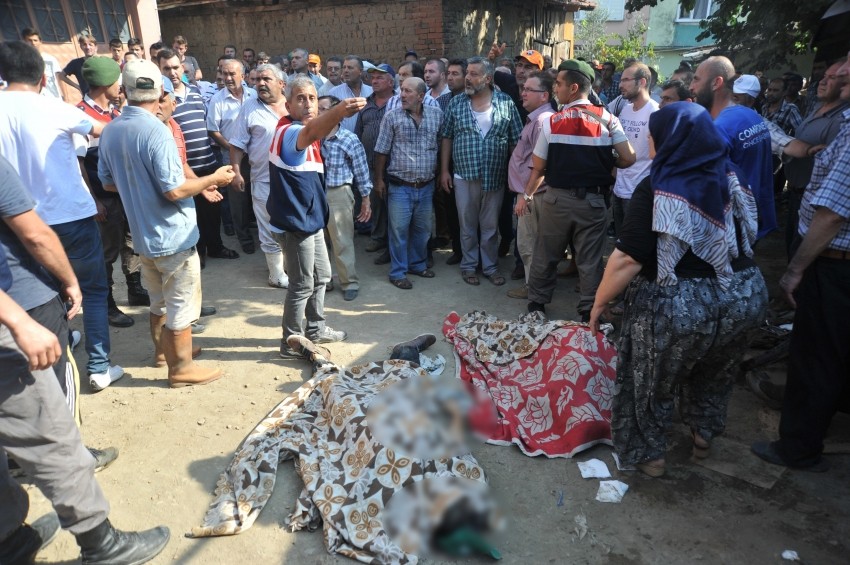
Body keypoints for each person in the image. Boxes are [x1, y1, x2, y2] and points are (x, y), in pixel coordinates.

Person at [0, 159, 170, 565]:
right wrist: (19, 317)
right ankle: (101, 543)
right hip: (17, 309)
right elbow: (35, 233)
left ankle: (8, 540)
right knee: (50, 432)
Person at [589, 102, 768, 477]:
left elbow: (627, 259)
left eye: (653, 136)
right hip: (744, 296)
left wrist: (599, 302)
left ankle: (650, 456)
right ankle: (703, 436)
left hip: (682, 303)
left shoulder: (659, 183)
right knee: (716, 371)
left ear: (667, 139)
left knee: (650, 380)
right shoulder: (730, 174)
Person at [98, 60, 234, 387]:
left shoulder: (112, 129)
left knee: (158, 300)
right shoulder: (157, 131)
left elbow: (107, 182)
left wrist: (138, 186)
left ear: (124, 91)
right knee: (181, 304)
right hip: (172, 234)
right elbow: (174, 190)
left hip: (144, 236)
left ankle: (163, 353)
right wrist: (213, 178)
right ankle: (181, 367)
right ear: (159, 91)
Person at [0, 41, 124, 391]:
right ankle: (99, 367)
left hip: (17, 225)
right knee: (94, 291)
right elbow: (101, 131)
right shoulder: (53, 108)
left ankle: (62, 338)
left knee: (46, 292)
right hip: (70, 217)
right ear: (42, 77)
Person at [751, 52, 850, 472]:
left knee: (816, 357)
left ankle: (798, 447)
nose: (836, 74)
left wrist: (795, 269)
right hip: (834, 259)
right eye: (833, 69)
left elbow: (831, 213)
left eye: (842, 71)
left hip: (835, 261)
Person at [522, 60, 635, 320]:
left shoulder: (552, 121)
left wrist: (527, 193)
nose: (555, 89)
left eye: (559, 84)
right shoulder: (608, 119)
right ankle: (588, 311)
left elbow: (539, 167)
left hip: (556, 202)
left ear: (573, 88)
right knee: (590, 260)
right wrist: (605, 161)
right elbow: (629, 158)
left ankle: (537, 306)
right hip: (593, 203)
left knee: (546, 254)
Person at [268, 76, 365, 358]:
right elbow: (310, 132)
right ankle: (291, 342)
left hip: (309, 222)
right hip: (295, 225)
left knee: (321, 276)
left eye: (312, 98)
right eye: (301, 98)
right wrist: (338, 111)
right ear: (287, 104)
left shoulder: (303, 131)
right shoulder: (289, 133)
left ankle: (315, 329)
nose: (308, 103)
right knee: (301, 285)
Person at [75, 56, 150, 331]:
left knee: (131, 244)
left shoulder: (115, 113)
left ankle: (134, 288)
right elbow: (79, 163)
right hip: (103, 196)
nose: (120, 85)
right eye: (116, 80)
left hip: (124, 194)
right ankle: (107, 304)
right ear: (105, 82)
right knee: (106, 253)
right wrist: (93, 201)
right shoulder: (81, 115)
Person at [439, 56, 522, 287]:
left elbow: (516, 141)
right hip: (464, 175)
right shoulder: (456, 103)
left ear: (487, 79)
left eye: (474, 74)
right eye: (467, 73)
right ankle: (468, 266)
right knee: (467, 225)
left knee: (489, 226)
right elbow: (446, 137)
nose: (467, 78)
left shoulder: (506, 102)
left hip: (494, 175)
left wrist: (515, 175)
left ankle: (490, 267)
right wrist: (444, 170)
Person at [159, 48, 240, 265]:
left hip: (207, 161)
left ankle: (215, 247)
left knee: (212, 211)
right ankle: (199, 252)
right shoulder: (163, 100)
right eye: (166, 68)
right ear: (160, 70)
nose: (172, 72)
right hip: (183, 168)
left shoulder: (195, 92)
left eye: (176, 67)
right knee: (191, 213)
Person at [691, 56, 775, 239]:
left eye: (696, 79)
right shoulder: (751, 116)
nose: (691, 87)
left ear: (716, 83)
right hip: (756, 218)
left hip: (733, 228)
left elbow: (709, 188)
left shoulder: (720, 128)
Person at [374, 77, 442, 290]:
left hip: (426, 185)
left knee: (422, 231)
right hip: (399, 186)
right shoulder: (391, 117)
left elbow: (440, 146)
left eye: (408, 91)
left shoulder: (436, 116)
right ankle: (398, 272)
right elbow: (381, 151)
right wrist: (378, 180)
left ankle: (417, 264)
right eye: (402, 90)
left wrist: (440, 173)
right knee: (399, 231)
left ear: (421, 96)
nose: (402, 95)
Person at [230, 64, 291, 289]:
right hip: (264, 178)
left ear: (281, 84)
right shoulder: (249, 108)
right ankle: (276, 274)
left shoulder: (293, 104)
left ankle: (294, 267)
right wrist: (236, 172)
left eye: (266, 79)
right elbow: (237, 145)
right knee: (268, 227)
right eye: (258, 80)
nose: (261, 84)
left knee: (293, 225)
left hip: (295, 179)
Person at [317, 95, 372, 301]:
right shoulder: (312, 136)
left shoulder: (348, 139)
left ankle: (349, 281)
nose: (318, 113)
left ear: (336, 113)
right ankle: (325, 279)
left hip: (338, 192)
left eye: (323, 109)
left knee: (342, 240)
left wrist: (366, 199)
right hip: (315, 192)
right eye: (318, 109)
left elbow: (361, 170)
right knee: (318, 240)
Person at [507, 71, 555, 300]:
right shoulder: (537, 119)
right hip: (529, 193)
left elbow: (540, 167)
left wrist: (524, 196)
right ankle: (534, 287)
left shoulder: (542, 121)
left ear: (544, 95)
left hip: (532, 195)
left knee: (529, 245)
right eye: (523, 88)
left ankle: (533, 290)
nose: (523, 93)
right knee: (530, 244)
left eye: (529, 90)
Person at [207, 58, 257, 254]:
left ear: (242, 76)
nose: (227, 78)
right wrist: (232, 149)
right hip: (232, 158)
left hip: (256, 155)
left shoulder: (254, 95)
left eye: (231, 74)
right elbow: (213, 129)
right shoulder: (218, 99)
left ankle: (260, 231)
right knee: (238, 199)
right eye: (224, 73)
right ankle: (244, 237)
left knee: (257, 194)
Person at [612, 63, 659, 236]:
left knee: (634, 247)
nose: (620, 85)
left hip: (639, 193)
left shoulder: (655, 112)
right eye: (621, 80)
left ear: (642, 82)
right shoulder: (625, 110)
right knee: (619, 240)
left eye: (626, 80)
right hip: (619, 189)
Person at [328, 56, 373, 131]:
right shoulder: (333, 93)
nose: (345, 71)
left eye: (350, 68)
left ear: (360, 71)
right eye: (344, 67)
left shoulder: (371, 92)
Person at [20, 28, 63, 100]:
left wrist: (65, 96)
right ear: (24, 42)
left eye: (35, 40)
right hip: (36, 100)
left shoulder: (51, 59)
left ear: (40, 42)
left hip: (55, 99)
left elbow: (59, 78)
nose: (33, 43)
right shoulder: (22, 61)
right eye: (30, 40)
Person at [61, 29, 98, 95]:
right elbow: (61, 76)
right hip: (87, 97)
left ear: (96, 47)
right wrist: (77, 87)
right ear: (81, 47)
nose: (87, 47)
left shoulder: (102, 62)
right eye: (84, 44)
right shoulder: (76, 63)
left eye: (90, 44)